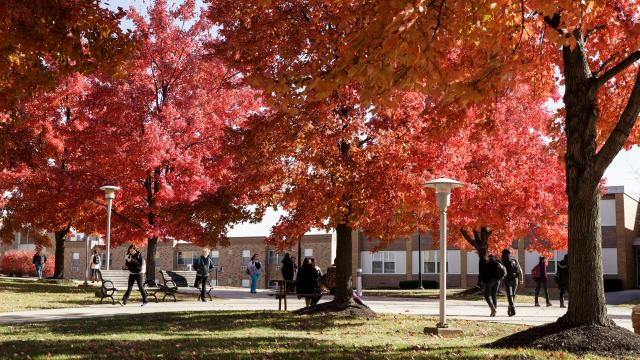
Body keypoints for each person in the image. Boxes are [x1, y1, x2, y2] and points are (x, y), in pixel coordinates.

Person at [501, 249, 523, 317]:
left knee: (509, 295)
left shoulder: (502, 261)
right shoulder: (514, 259)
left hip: (507, 279)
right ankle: (510, 307)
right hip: (515, 279)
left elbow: (501, 271)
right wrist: (521, 279)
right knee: (513, 294)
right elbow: (520, 269)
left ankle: (512, 307)